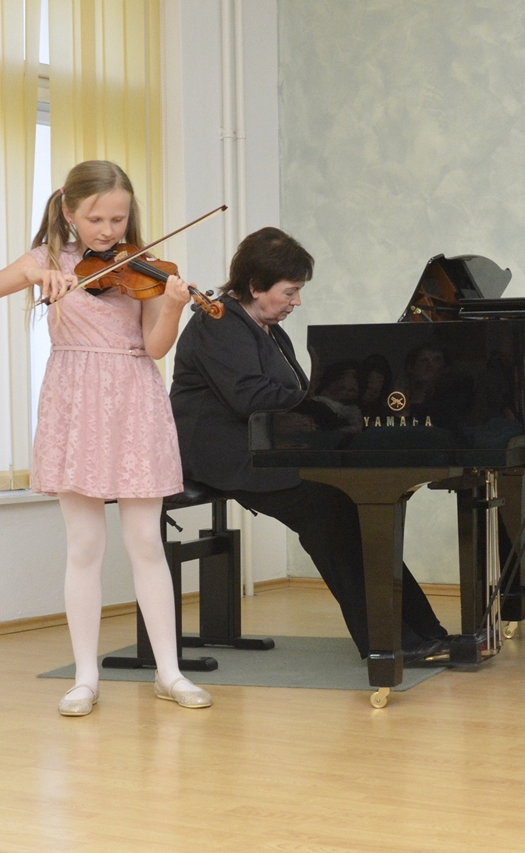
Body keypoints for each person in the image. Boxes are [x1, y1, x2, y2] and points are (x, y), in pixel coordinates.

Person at [0, 160, 211, 715]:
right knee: (83, 545)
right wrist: (33, 275)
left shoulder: (143, 266)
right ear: (68, 211)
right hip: (74, 400)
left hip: (133, 396)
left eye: (118, 219)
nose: (108, 230)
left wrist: (173, 306)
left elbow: (154, 348)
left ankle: (170, 673)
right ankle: (84, 677)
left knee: (146, 542)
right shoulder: (46, 260)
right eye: (96, 219)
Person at [169, 227, 451, 661]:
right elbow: (251, 398)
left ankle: (426, 631)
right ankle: (387, 643)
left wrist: (337, 410)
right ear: (255, 286)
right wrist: (328, 405)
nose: (296, 301)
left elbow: (297, 393)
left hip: (268, 445)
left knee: (358, 505)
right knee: (330, 508)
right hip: (224, 453)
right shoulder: (218, 323)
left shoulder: (270, 330)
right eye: (290, 291)